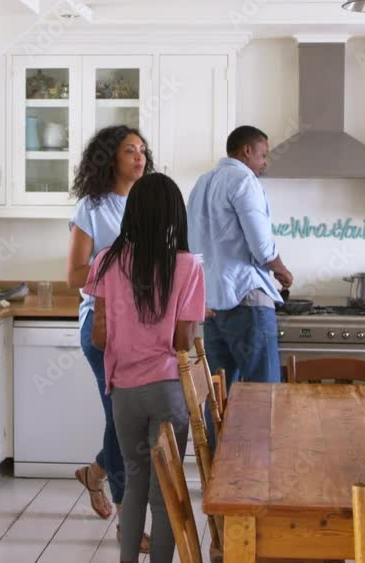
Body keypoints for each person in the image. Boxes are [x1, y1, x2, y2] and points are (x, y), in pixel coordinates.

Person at [84, 173, 205, 563]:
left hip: (125, 393)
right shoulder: (188, 267)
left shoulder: (107, 260)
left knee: (135, 482)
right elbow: (182, 343)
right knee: (164, 489)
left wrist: (129, 334)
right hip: (168, 392)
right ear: (175, 216)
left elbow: (99, 337)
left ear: (132, 212)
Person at [66, 125, 154, 550]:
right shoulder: (92, 208)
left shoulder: (149, 204)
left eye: (142, 150)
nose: (138, 157)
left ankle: (96, 473)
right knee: (123, 423)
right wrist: (117, 269)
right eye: (128, 150)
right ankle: (126, 523)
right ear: (109, 158)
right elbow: (74, 276)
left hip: (142, 329)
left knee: (127, 421)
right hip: (101, 328)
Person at [187, 125, 293, 389]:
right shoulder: (245, 180)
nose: (265, 163)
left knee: (218, 396)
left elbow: (192, 243)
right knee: (264, 393)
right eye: (263, 155)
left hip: (212, 305)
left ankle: (216, 435)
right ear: (246, 151)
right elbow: (262, 247)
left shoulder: (202, 183)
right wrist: (282, 270)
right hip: (246, 300)